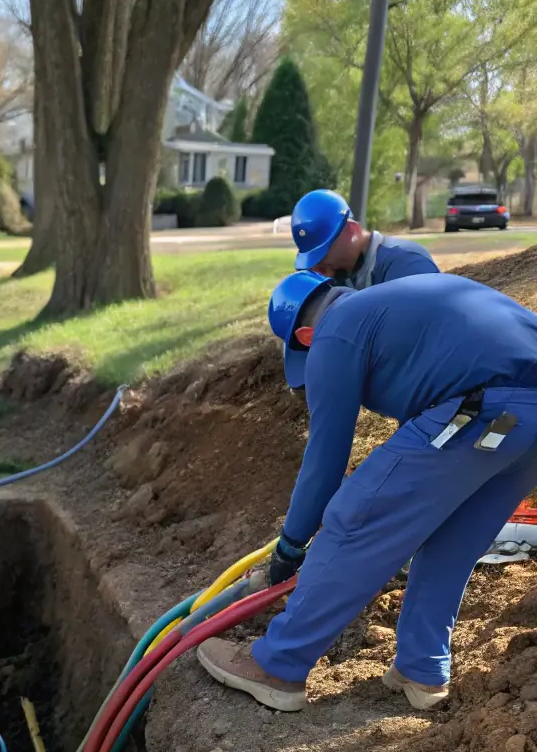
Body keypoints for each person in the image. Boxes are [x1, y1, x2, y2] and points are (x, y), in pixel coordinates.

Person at [197, 270, 537, 714]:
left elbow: (326, 458)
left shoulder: (335, 333)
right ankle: (423, 669)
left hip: (481, 413)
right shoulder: (394, 308)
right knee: (452, 542)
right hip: (525, 425)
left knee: (355, 517)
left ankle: (277, 665)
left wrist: (292, 545)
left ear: (304, 334)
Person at [291, 189, 438, 289]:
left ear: (352, 230)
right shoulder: (338, 275)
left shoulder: (407, 263)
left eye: (325, 250)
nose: (321, 262)